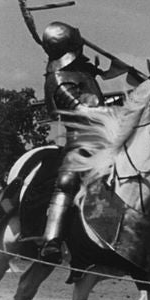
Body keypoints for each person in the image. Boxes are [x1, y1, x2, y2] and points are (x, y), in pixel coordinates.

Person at [38, 22, 106, 263]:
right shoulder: (58, 79)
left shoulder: (84, 74)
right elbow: (81, 111)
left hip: (106, 137)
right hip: (79, 140)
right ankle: (51, 240)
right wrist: (117, 112)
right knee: (66, 181)